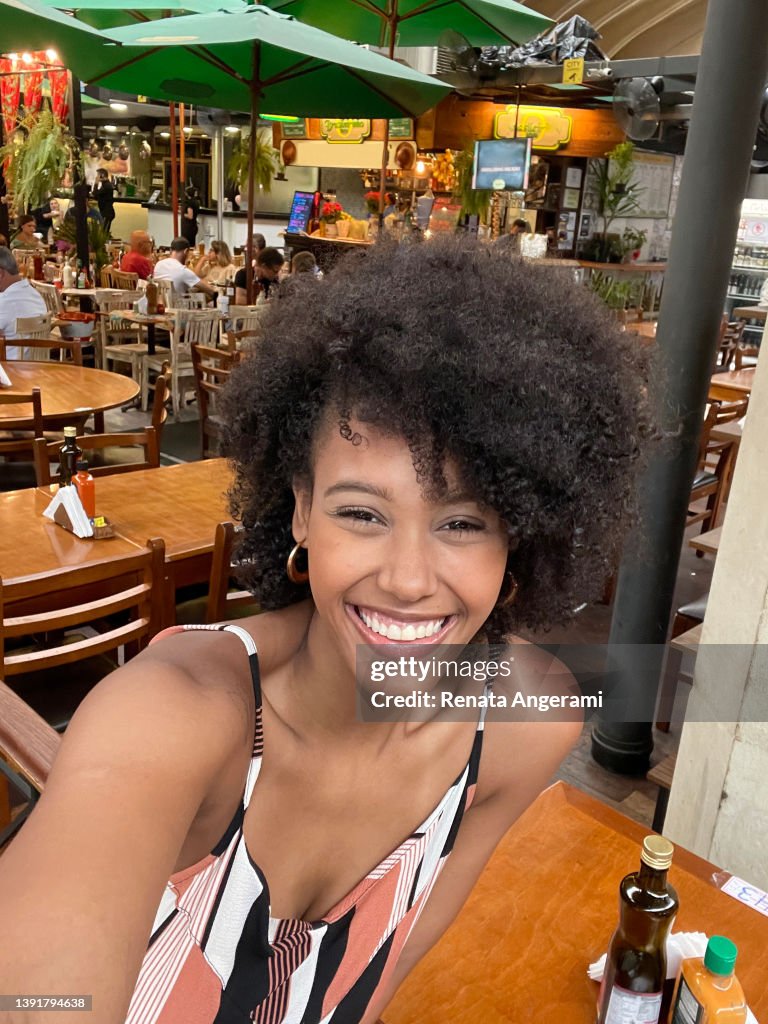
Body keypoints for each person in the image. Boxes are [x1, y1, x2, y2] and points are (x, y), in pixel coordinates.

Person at [0, 236, 650, 1024]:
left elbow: (377, 979)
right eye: (362, 513)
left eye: (462, 522)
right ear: (302, 509)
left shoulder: (525, 722)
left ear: (522, 534)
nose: (408, 579)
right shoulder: (173, 718)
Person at [0, 245, 48, 358]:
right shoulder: (35, 294)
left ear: (0, 273)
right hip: (37, 365)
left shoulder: (4, 301)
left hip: (9, 367)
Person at [92, 168, 116, 236]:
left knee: (103, 233)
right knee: (104, 232)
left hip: (107, 213)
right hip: (106, 212)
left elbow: (95, 193)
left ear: (102, 175)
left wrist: (96, 183)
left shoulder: (107, 186)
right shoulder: (105, 185)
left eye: (98, 175)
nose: (96, 177)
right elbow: (97, 195)